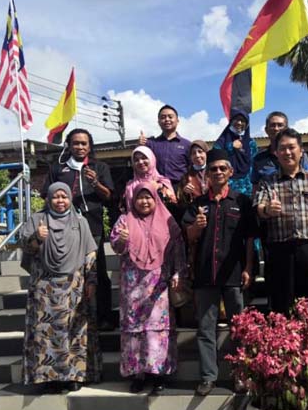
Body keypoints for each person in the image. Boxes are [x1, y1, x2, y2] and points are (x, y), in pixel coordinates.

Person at [183, 149, 256, 396]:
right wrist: (196, 226)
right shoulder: (198, 204)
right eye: (213, 169)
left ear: (231, 172)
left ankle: (241, 375)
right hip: (205, 275)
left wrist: (248, 267)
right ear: (207, 174)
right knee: (206, 329)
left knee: (239, 328)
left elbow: (248, 239)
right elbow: (188, 236)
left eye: (222, 168)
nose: (217, 173)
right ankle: (208, 377)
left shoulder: (241, 201)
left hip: (234, 275)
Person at [20, 182, 102, 393]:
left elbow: (90, 255)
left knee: (72, 332)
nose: (60, 201)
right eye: (55, 197)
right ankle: (46, 377)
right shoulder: (37, 220)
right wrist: (37, 237)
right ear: (48, 198)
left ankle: (72, 376)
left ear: (70, 198)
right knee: (44, 333)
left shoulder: (80, 222)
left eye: (64, 197)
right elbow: (25, 249)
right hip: (44, 288)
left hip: (72, 287)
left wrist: (91, 280)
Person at [110, 182, 187, 394]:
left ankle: (158, 373)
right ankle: (138, 374)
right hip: (132, 286)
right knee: (134, 331)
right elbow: (116, 247)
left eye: (149, 197)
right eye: (140, 198)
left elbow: (178, 250)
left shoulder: (168, 222)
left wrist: (179, 273)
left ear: (156, 198)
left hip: (159, 283)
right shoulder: (124, 220)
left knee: (157, 331)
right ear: (132, 200)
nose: (144, 201)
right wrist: (122, 240)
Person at [42, 128, 115, 331]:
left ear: (89, 146)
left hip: (93, 227)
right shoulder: (58, 169)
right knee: (68, 273)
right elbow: (46, 195)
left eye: (84, 143)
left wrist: (95, 183)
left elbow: (109, 197)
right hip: (65, 229)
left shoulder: (99, 167)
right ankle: (67, 316)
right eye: (76, 143)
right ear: (69, 145)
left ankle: (104, 317)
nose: (80, 147)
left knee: (97, 271)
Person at [254, 128, 308, 314]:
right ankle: (283, 342)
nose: (287, 152)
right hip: (280, 250)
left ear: (301, 151)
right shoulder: (268, 181)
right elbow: (259, 208)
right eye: (282, 148)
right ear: (276, 152)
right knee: (282, 303)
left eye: (291, 147)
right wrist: (268, 209)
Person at [251, 111, 308, 187]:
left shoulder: (300, 156)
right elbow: (255, 187)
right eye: (272, 125)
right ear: (266, 130)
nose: (276, 128)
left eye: (280, 125)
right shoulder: (259, 159)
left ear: (286, 128)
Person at [139, 104, 192, 189]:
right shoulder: (152, 144)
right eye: (163, 117)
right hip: (157, 187)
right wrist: (140, 146)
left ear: (177, 120)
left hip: (180, 188)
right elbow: (140, 163)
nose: (167, 119)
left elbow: (192, 168)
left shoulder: (187, 145)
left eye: (170, 117)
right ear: (158, 121)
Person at [213, 109, 258, 196]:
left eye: (243, 120)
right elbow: (215, 159)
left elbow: (254, 165)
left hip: (248, 188)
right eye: (237, 119)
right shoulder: (221, 142)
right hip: (227, 188)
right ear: (231, 121)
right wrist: (230, 147)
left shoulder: (251, 143)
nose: (239, 123)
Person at [123, 146, 175, 213]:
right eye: (136, 160)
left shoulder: (163, 182)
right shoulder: (130, 186)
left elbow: (173, 205)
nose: (140, 162)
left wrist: (160, 189)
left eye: (144, 158)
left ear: (152, 159)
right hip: (137, 222)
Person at [176, 140, 209, 206]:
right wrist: (185, 192)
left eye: (200, 152)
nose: (197, 155)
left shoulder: (214, 170)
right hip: (194, 210)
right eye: (193, 153)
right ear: (190, 157)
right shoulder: (186, 176)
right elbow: (180, 200)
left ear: (206, 153)